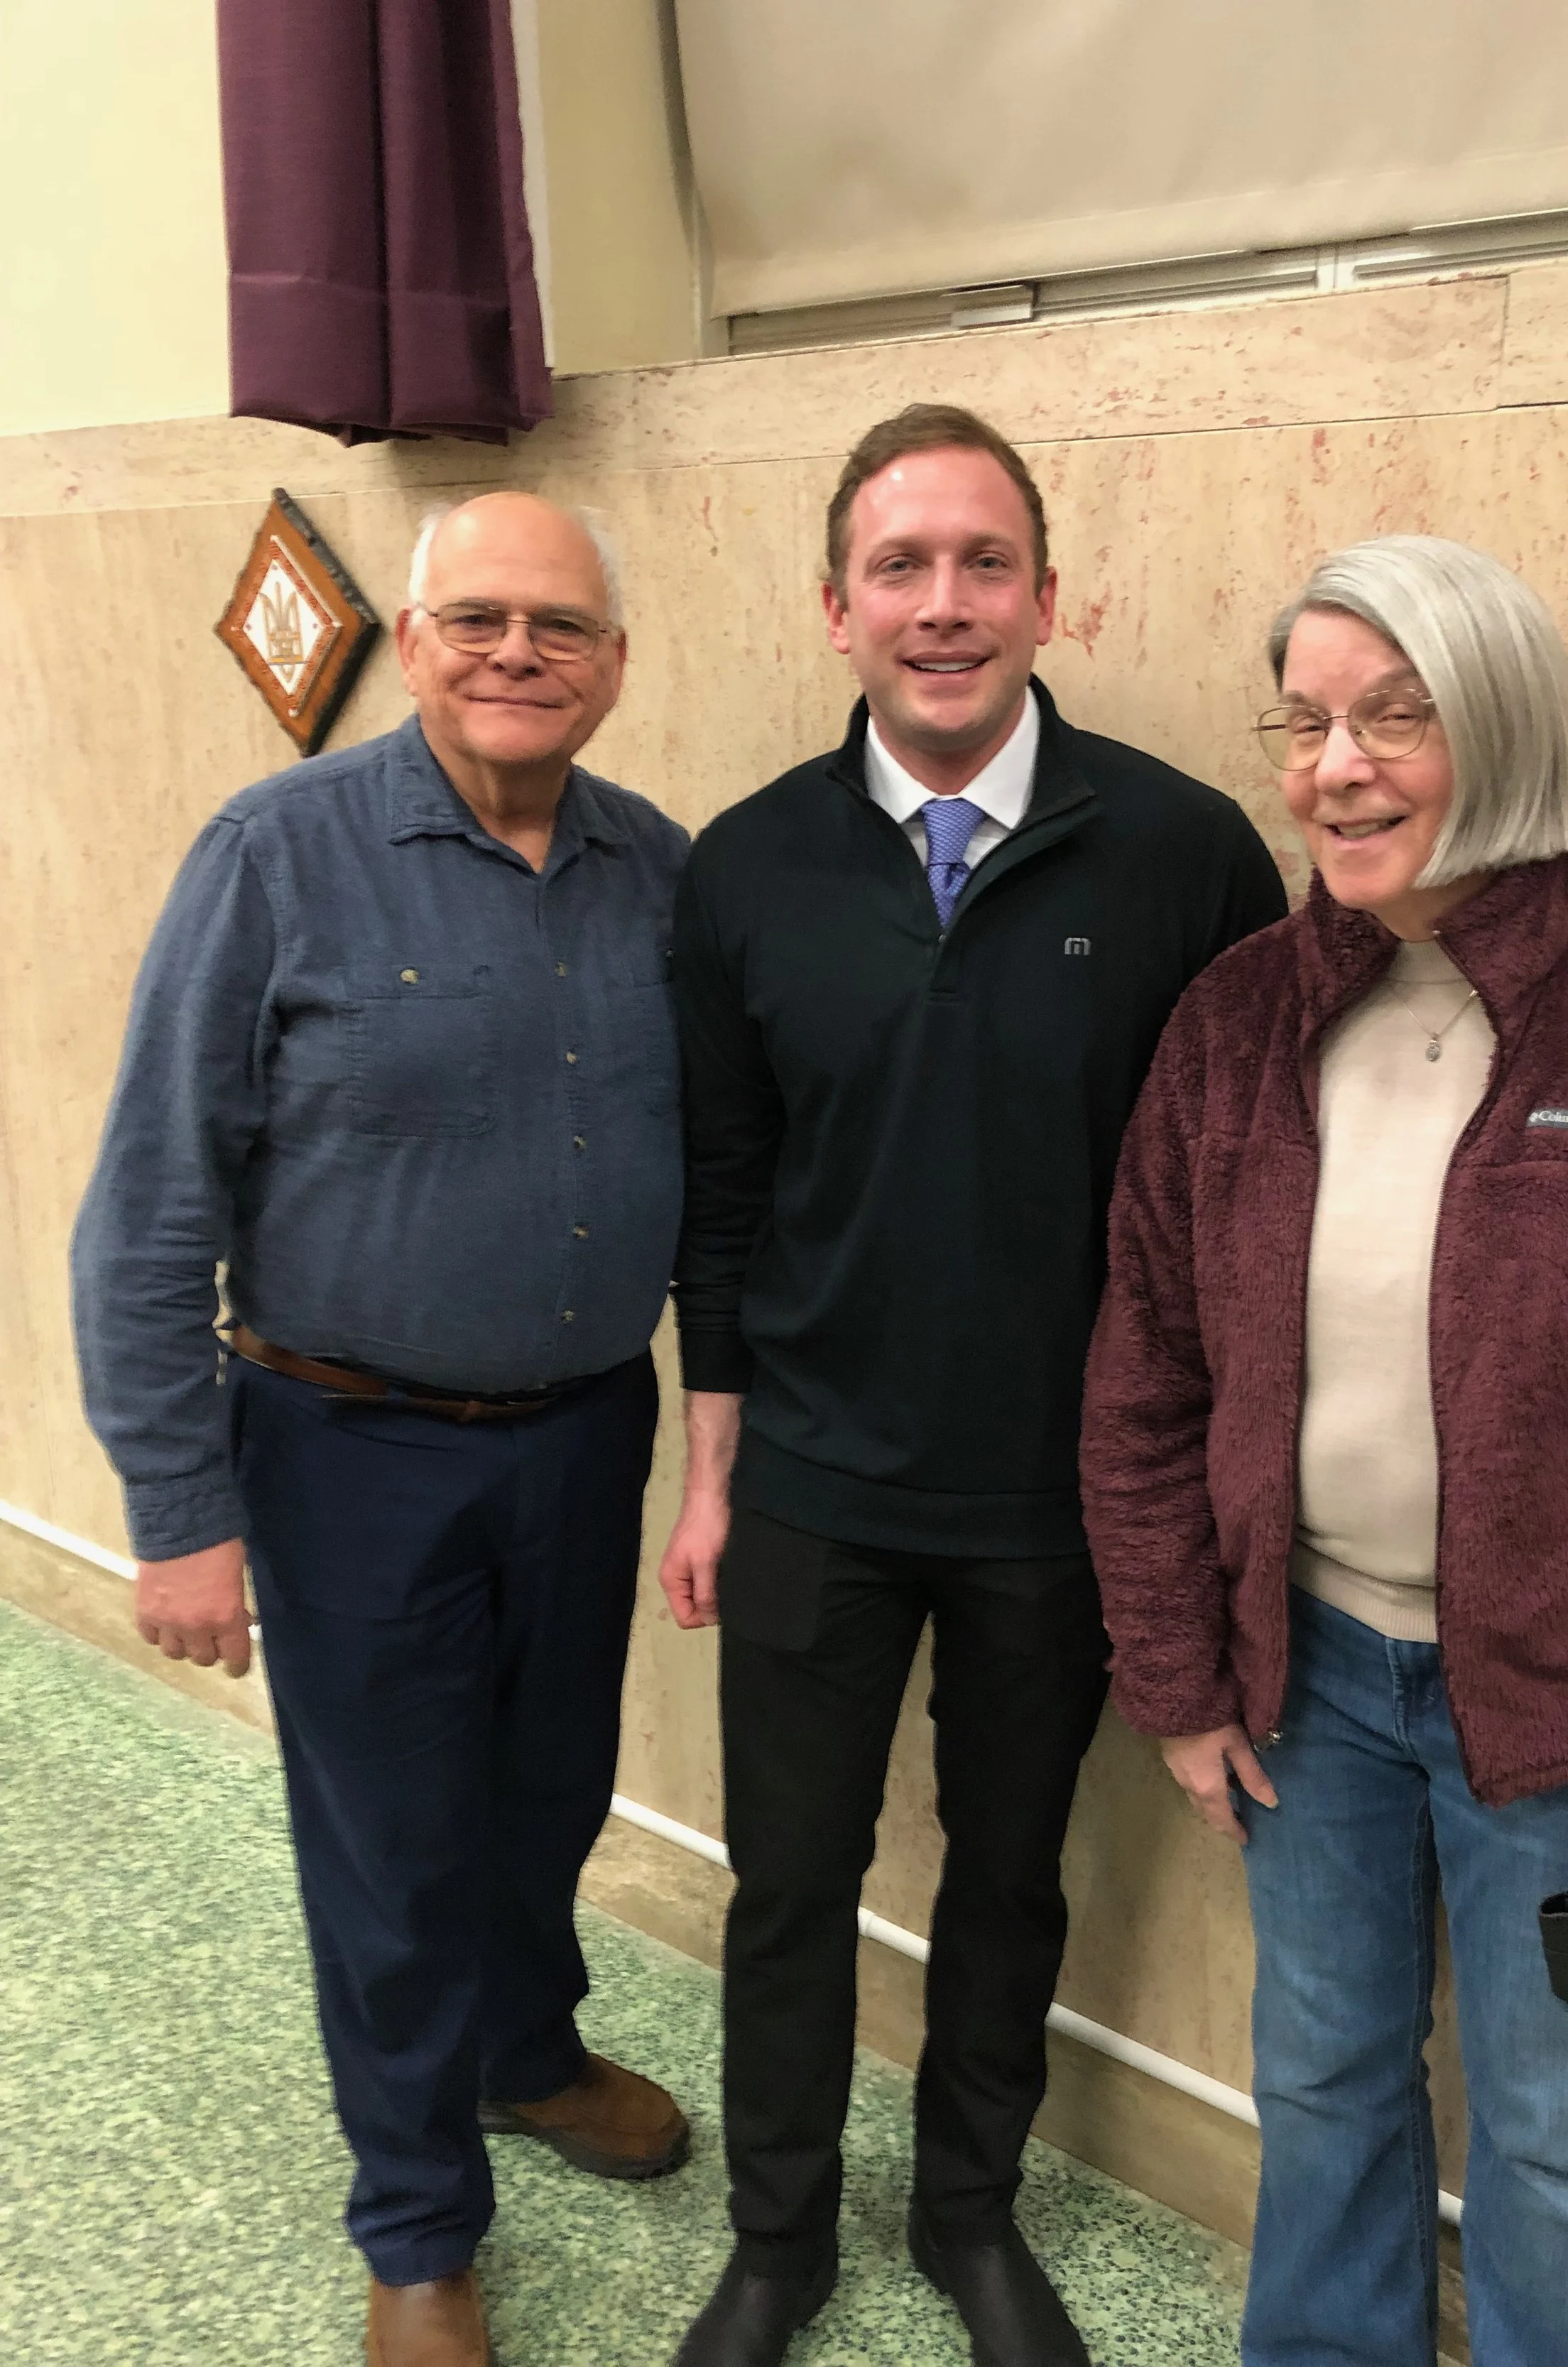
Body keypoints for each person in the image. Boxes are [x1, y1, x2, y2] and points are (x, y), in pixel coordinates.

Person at [1079, 533, 1568, 2367]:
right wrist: (1176, 1664)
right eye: (1303, 722)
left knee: (1567, 2142)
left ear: (1505, 729)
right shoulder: (1236, 1020)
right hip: (1305, 1682)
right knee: (1318, 2083)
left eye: (1396, 716)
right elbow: (1144, 1362)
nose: (1335, 767)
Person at [660, 402, 1287, 2367]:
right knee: (790, 1881)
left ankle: (965, 2211)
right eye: (900, 567)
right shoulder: (744, 867)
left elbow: (1237, 1203)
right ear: (833, 605)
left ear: (1052, 591)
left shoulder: (1185, 855)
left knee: (1009, 1874)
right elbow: (727, 1199)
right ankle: (778, 2234)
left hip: (1064, 1501)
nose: (944, 606)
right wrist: (710, 1475)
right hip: (814, 1490)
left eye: (982, 562)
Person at [72, 494, 692, 2367]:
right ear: (413, 643)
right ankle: (418, 2220)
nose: (519, 653)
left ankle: (521, 2051)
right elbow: (151, 1206)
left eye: (559, 625)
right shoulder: (275, 855)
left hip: (586, 1432)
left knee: (547, 1790)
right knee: (393, 1847)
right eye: (479, 618)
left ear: (613, 662)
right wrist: (177, 1509)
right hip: (347, 1452)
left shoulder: (654, 869)